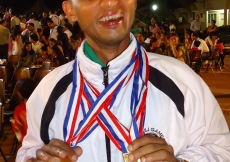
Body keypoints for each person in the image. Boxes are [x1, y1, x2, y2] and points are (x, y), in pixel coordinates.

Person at [17, 0, 230, 162]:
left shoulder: (183, 81)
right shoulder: (47, 92)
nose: (110, 2)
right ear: (70, 10)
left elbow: (222, 149)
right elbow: (26, 153)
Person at [11, 79, 38, 144]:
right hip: (45, 142)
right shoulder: (44, 106)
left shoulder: (19, 109)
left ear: (19, 94)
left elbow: (16, 127)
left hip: (27, 142)